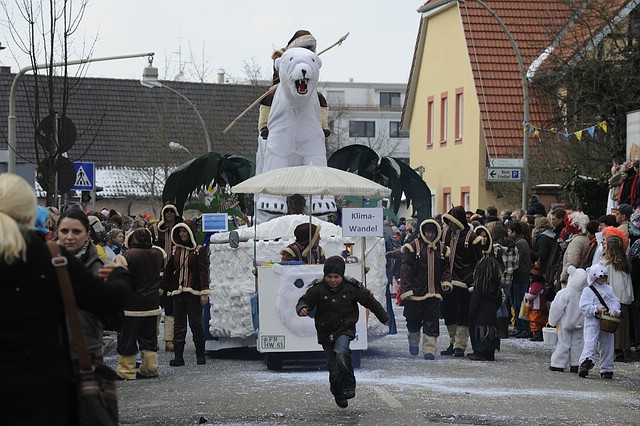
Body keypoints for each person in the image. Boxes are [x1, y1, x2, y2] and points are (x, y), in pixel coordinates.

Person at [0, 173, 133, 425]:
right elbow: (109, 302)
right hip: (44, 392)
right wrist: (120, 275)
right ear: (30, 215)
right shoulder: (51, 259)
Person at [296, 256, 389, 408]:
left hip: (345, 329)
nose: (332, 280)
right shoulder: (317, 289)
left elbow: (369, 301)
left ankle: (348, 384)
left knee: (341, 352)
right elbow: (305, 300)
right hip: (326, 332)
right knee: (333, 368)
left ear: (342, 275)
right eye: (329, 277)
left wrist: (383, 317)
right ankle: (338, 392)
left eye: (336, 277)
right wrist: (302, 308)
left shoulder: (351, 287)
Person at [398, 219, 451, 360]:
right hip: (415, 293)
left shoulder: (442, 249)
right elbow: (405, 269)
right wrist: (406, 289)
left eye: (432, 232)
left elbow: (446, 269)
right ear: (422, 232)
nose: (430, 235)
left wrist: (446, 281)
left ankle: (429, 349)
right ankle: (413, 342)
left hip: (433, 293)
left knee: (432, 322)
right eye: (428, 232)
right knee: (413, 321)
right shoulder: (413, 247)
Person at [116, 228, 165, 380]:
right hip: (152, 303)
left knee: (128, 337)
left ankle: (126, 371)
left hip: (132, 304)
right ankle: (150, 368)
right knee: (149, 337)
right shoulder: (158, 254)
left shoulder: (128, 255)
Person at [160, 220, 210, 366]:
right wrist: (162, 287)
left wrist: (204, 292)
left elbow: (203, 272)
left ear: (191, 232)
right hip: (178, 293)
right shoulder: (176, 250)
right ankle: (178, 357)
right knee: (179, 325)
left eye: (184, 231)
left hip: (193, 293)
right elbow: (169, 270)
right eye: (180, 231)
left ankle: (200, 355)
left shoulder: (199, 250)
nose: (182, 234)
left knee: (195, 323)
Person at [440, 206, 482, 357]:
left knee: (462, 314)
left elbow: (478, 261)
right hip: (446, 281)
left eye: (452, 221)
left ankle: (460, 345)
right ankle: (452, 342)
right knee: (448, 313)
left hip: (463, 282)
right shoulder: (445, 234)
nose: (450, 224)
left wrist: (471, 277)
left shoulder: (471, 237)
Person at [149, 202, 183, 352]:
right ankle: (152, 339)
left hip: (174, 274)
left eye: (171, 211)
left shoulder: (181, 228)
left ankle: (169, 339)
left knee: (171, 308)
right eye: (167, 211)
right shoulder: (154, 229)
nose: (169, 213)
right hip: (157, 273)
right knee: (155, 308)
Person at [578, 262, 622, 379]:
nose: (603, 279)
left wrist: (614, 309)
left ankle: (607, 368)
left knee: (607, 344)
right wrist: (595, 309)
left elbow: (615, 301)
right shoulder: (588, 290)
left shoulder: (609, 289)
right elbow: (583, 306)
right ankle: (586, 362)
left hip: (607, 320)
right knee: (590, 342)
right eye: (601, 277)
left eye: (604, 277)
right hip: (593, 321)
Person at [600, 226, 634, 362]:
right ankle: (622, 349)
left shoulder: (607, 264)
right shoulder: (625, 264)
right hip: (623, 298)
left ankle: (615, 350)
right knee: (622, 326)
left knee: (611, 325)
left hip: (612, 298)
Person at [548, 266, 588, 373]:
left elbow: (556, 308)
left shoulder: (566, 292)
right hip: (580, 323)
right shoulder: (585, 294)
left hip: (565, 322)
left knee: (563, 342)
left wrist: (552, 321)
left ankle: (558, 363)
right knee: (578, 343)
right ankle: (576, 363)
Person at [467, 256, 503, 361]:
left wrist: (470, 315)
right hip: (492, 317)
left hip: (479, 319)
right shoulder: (497, 288)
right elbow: (499, 301)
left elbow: (474, 304)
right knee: (491, 334)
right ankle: (490, 353)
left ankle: (479, 353)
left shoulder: (479, 288)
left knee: (479, 334)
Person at [490, 222, 519, 338]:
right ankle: (505, 330)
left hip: (498, 279)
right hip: (509, 279)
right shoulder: (514, 247)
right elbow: (516, 264)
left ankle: (499, 330)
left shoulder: (496, 248)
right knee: (504, 303)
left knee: (497, 304)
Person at [507, 221, 532, 338]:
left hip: (521, 276)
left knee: (520, 303)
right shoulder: (519, 242)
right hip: (519, 276)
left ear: (514, 232)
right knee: (517, 303)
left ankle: (524, 328)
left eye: (509, 231)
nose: (508, 233)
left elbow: (516, 260)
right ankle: (519, 327)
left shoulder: (520, 244)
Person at [524, 271, 548, 341]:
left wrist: (526, 295)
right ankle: (539, 333)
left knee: (535, 321)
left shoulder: (536, 285)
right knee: (540, 321)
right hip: (540, 306)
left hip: (536, 306)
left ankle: (537, 334)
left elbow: (531, 295)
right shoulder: (541, 285)